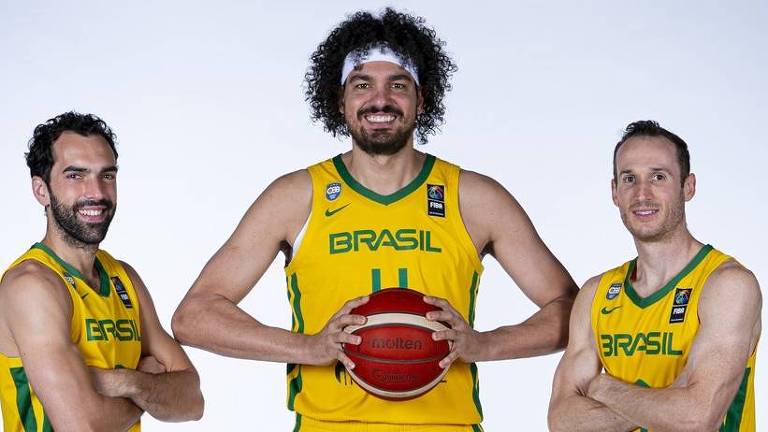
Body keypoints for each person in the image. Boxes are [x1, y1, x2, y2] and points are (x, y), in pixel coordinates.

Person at [173, 8, 577, 431]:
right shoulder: (296, 197)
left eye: (398, 85)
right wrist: (309, 347)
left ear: (422, 99)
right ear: (340, 99)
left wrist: (484, 344)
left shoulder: (473, 197)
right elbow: (195, 316)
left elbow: (572, 312)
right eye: (362, 84)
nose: (379, 100)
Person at [548, 120, 761, 431]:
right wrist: (671, 398)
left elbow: (696, 418)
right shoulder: (596, 294)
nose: (642, 194)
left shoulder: (726, 285)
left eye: (658, 177)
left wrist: (601, 388)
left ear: (688, 187)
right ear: (614, 192)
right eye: (629, 179)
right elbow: (562, 421)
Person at [0, 112, 204, 431]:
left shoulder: (124, 278)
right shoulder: (31, 286)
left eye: (106, 175)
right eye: (75, 176)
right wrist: (149, 385)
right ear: (41, 190)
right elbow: (84, 426)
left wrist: (125, 382)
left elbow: (192, 401)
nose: (95, 192)